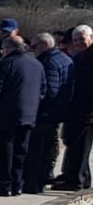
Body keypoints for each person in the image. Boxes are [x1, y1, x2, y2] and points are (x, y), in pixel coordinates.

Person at [0, 31, 46, 196]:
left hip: (7, 115)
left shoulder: (5, 64)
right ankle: (18, 183)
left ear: (7, 49)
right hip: (29, 115)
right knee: (21, 151)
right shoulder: (37, 64)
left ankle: (4, 184)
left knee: (5, 150)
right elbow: (42, 90)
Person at [23, 31, 73, 193]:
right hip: (60, 111)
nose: (33, 50)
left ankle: (34, 183)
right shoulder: (64, 59)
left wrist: (38, 106)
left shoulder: (48, 62)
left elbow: (50, 90)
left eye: (35, 46)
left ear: (44, 45)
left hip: (46, 113)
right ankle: (42, 179)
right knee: (50, 147)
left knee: (37, 150)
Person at [53, 25, 92, 190]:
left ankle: (77, 180)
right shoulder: (82, 56)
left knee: (80, 144)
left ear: (91, 38)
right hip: (79, 108)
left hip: (86, 109)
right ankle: (80, 177)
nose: (78, 43)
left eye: (82, 39)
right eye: (75, 40)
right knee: (76, 143)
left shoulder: (88, 58)